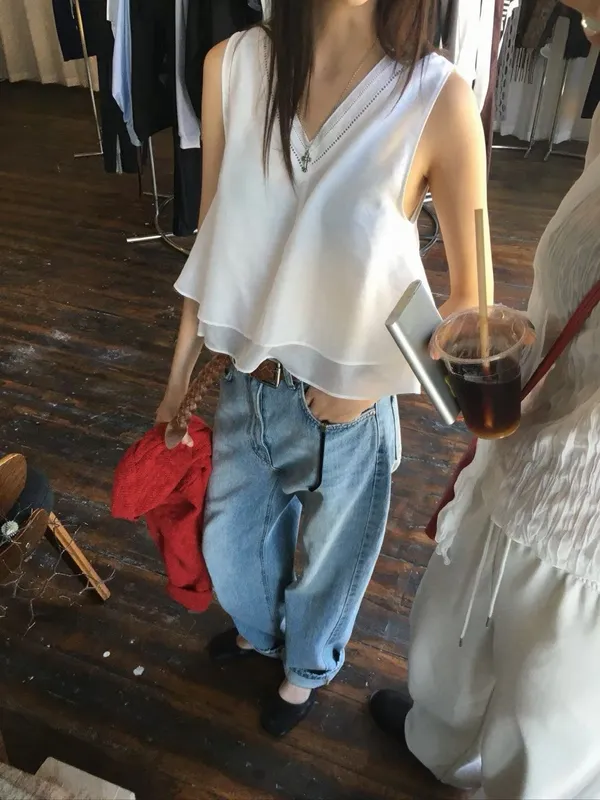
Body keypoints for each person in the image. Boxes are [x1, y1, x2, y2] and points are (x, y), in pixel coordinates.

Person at [157, 0, 490, 737]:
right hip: (247, 384)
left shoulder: (436, 96)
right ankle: (260, 632)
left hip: (350, 411)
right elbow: (211, 241)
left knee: (332, 565)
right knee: (231, 551)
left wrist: (377, 382)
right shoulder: (232, 68)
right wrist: (178, 376)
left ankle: (305, 669)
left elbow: (472, 300)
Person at [370, 2, 600, 796]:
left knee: (543, 727)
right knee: (451, 636)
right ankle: (438, 741)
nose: (576, 19)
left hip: (587, 515)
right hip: (531, 435)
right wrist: (519, 338)